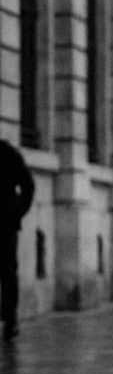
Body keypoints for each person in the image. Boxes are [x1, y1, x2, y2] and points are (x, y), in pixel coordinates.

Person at [0, 139, 35, 340]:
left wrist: (18, 212)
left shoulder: (7, 152)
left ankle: (10, 319)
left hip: (5, 222)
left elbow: (27, 183)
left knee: (7, 271)